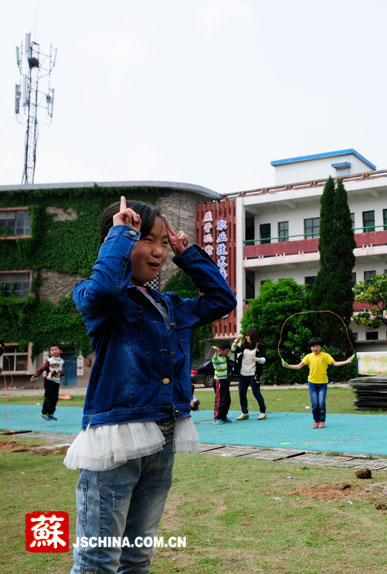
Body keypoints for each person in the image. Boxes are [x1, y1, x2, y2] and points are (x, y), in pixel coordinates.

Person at [66, 196, 236, 574]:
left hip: (164, 437)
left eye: (163, 242)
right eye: (146, 239)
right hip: (116, 441)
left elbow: (222, 299)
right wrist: (121, 235)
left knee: (138, 557)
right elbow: (103, 290)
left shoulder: (171, 305)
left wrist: (188, 255)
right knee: (98, 559)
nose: (159, 251)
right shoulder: (99, 298)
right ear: (116, 240)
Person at [282, 336, 354, 428]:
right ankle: (316, 421)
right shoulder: (308, 356)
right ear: (310, 347)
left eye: (317, 346)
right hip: (312, 383)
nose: (315, 348)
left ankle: (322, 420)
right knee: (315, 404)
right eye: (313, 346)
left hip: (323, 383)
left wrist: (346, 361)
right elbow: (299, 366)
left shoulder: (326, 356)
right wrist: (287, 365)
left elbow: (335, 363)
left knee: (321, 403)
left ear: (321, 347)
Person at [232, 327, 268, 420]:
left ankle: (263, 411)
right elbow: (233, 350)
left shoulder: (259, 346)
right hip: (243, 373)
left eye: (249, 336)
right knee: (242, 392)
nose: (247, 338)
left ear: (253, 336)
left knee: (256, 393)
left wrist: (258, 359)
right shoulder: (243, 346)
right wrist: (235, 343)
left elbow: (264, 359)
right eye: (246, 336)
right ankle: (245, 413)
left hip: (254, 374)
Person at [31, 344, 66, 421]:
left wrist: (62, 375)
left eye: (56, 349)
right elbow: (41, 369)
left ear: (60, 351)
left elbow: (59, 370)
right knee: (48, 398)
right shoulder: (49, 361)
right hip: (49, 381)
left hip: (56, 381)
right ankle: (43, 414)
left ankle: (50, 414)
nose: (54, 351)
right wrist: (35, 376)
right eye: (52, 350)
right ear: (50, 353)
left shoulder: (61, 361)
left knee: (55, 399)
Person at [212, 341, 233, 424]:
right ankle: (217, 418)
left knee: (227, 400)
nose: (228, 353)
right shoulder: (217, 357)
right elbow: (214, 360)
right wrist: (216, 352)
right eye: (226, 351)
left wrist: (236, 342)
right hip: (219, 381)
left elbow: (232, 350)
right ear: (221, 350)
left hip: (225, 380)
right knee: (220, 400)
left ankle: (224, 416)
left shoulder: (225, 357)